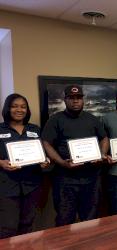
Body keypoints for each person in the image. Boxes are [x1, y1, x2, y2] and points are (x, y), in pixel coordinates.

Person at [42, 85, 108, 226]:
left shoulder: (92, 119)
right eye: (71, 98)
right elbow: (47, 143)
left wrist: (101, 155)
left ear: (83, 100)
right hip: (65, 180)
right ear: (65, 100)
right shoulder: (55, 120)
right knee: (65, 219)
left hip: (91, 179)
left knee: (91, 219)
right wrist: (62, 162)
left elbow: (104, 138)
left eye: (78, 98)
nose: (75, 101)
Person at [0, 94, 49, 238]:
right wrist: (1, 163)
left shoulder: (35, 129)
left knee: (28, 225)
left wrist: (44, 161)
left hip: (32, 186)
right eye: (14, 106)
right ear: (7, 108)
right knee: (7, 227)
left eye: (23, 106)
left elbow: (42, 152)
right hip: (7, 187)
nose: (19, 110)